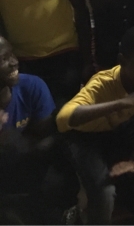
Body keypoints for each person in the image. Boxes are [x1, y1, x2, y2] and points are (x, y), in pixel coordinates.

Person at [56, 26, 134, 225]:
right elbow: (64, 118)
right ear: (122, 60)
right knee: (105, 192)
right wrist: (122, 103)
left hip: (114, 132)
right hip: (82, 137)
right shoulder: (102, 83)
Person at [0, 36, 77, 223]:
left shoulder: (31, 86)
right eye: (4, 59)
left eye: (12, 54)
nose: (14, 62)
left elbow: (44, 140)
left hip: (31, 170)